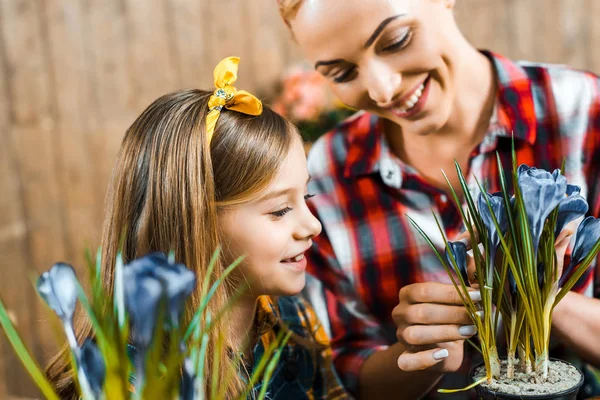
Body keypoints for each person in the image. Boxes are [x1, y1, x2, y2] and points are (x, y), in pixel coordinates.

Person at [276, 0, 600, 398]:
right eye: (342, 73)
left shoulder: (585, 110)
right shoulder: (328, 171)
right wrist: (418, 351)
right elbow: (347, 372)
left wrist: (538, 292)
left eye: (396, 40)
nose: (383, 88)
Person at [45, 57, 348, 400]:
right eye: (280, 210)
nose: (313, 225)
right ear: (197, 223)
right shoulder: (127, 380)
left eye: (305, 195)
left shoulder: (296, 322)